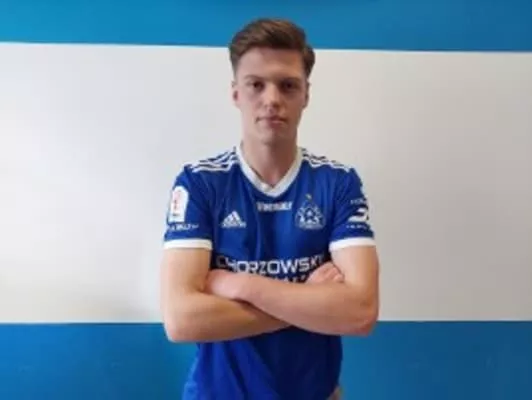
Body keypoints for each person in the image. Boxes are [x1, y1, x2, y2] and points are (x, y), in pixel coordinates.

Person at [160, 17, 380, 400]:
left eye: (288, 85)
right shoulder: (200, 183)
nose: (272, 99)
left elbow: (360, 312)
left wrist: (240, 286)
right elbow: (182, 320)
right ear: (235, 93)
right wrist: (307, 300)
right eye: (256, 85)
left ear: (306, 94)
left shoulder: (338, 183)